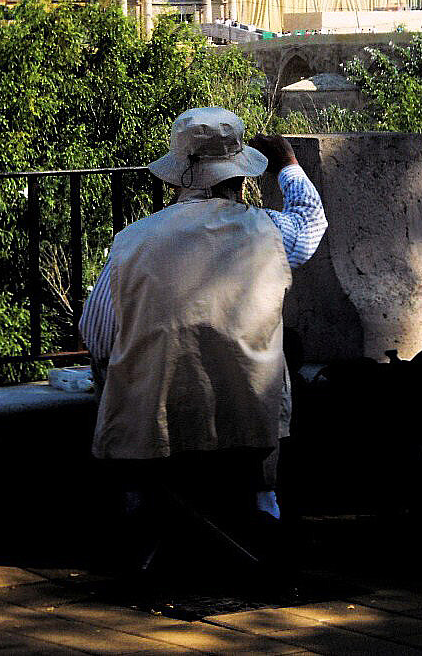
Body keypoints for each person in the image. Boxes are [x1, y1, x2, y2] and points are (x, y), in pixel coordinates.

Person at [79, 108, 326, 533]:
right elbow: (312, 224)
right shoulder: (269, 231)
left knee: (112, 371)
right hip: (247, 422)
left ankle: (137, 505)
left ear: (176, 175)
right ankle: (264, 502)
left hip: (153, 424)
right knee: (283, 354)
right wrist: (288, 165)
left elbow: (96, 336)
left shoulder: (131, 242)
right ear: (240, 175)